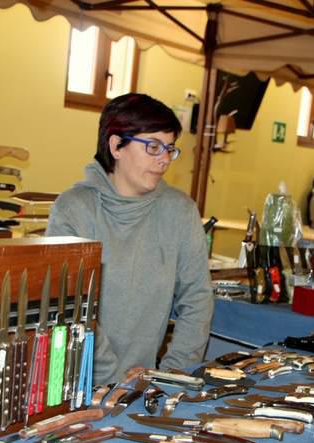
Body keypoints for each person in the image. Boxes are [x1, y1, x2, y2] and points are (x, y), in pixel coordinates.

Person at [47, 93, 213, 385]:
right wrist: (114, 380)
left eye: (170, 149)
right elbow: (69, 307)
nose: (164, 159)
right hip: (75, 382)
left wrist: (171, 375)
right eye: (153, 146)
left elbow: (197, 299)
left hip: (147, 384)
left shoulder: (180, 212)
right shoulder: (74, 209)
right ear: (116, 146)